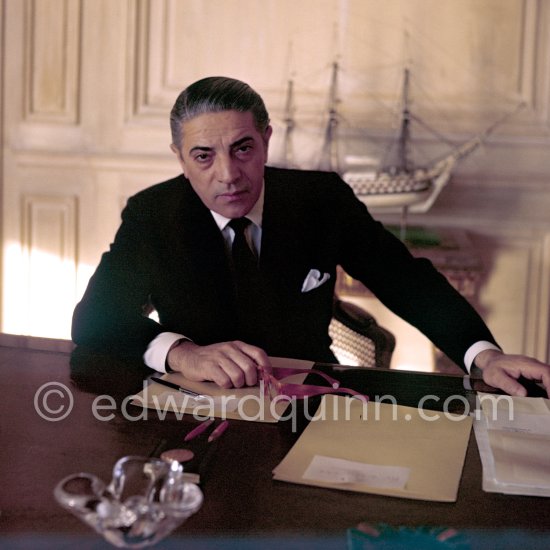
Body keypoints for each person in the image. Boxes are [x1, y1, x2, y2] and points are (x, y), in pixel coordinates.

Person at [72, 76, 550, 397]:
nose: (228, 175)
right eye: (203, 157)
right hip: (197, 401)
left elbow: (405, 279)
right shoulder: (152, 214)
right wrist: (183, 353)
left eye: (243, 149)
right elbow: (94, 319)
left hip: (310, 398)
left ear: (266, 140)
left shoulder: (321, 198)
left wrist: (483, 356)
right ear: (179, 157)